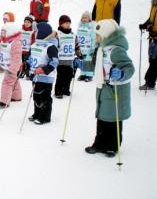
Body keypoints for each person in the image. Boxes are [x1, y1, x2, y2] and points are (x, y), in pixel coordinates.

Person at [74, 19, 134, 157]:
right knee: (102, 117)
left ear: (107, 35)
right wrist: (83, 64)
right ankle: (99, 143)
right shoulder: (101, 49)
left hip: (115, 90)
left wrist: (122, 73)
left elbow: (129, 67)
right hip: (103, 88)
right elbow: (95, 66)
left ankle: (112, 146)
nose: (96, 37)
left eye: (99, 35)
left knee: (113, 118)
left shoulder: (116, 51)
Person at [28, 22, 58, 125]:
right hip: (35, 76)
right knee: (36, 96)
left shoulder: (50, 47)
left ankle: (45, 117)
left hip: (46, 77)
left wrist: (45, 69)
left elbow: (55, 61)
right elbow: (30, 58)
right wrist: (26, 65)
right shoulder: (34, 45)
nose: (35, 33)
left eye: (37, 31)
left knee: (44, 97)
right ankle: (37, 113)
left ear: (42, 32)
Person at [0, 22, 22, 108]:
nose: (2, 34)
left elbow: (17, 57)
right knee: (14, 81)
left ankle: (4, 102)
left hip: (12, 68)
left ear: (10, 32)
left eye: (4, 32)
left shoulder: (15, 43)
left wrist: (13, 69)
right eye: (2, 32)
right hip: (7, 66)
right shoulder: (4, 41)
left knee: (6, 83)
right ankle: (16, 96)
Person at [139, 0, 157, 95]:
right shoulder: (154, 4)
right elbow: (151, 18)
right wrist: (145, 24)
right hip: (154, 37)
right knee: (153, 61)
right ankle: (150, 83)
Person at [54, 15, 81, 99]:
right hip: (61, 60)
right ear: (61, 24)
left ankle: (66, 89)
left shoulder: (73, 35)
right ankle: (58, 91)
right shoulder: (58, 34)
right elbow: (55, 46)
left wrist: (79, 54)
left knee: (69, 76)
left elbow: (76, 46)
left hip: (70, 60)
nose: (68, 24)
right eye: (66, 23)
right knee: (60, 76)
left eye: (69, 23)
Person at [77, 11, 96, 82]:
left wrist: (92, 49)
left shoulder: (91, 27)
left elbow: (93, 39)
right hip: (81, 48)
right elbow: (77, 37)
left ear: (89, 19)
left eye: (86, 18)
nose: (84, 19)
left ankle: (89, 75)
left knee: (88, 61)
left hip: (88, 48)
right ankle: (83, 74)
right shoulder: (80, 27)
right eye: (83, 18)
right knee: (82, 61)